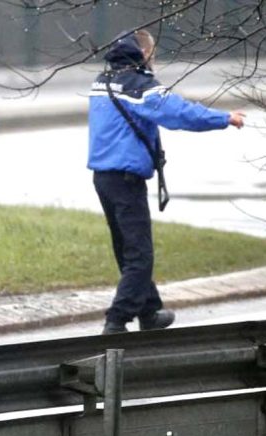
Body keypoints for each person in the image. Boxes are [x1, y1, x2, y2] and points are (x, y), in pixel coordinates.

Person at [88, 30, 245, 334]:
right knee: (140, 255)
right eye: (153, 55)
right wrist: (223, 119)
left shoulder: (102, 81)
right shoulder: (140, 87)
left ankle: (149, 311)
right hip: (126, 179)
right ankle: (117, 319)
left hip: (103, 178)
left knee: (126, 249)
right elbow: (179, 113)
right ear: (144, 54)